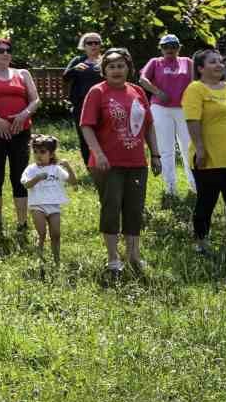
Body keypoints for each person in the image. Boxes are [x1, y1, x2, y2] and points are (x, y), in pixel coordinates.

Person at [79, 48, 162, 276]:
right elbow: (86, 126)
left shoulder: (137, 91)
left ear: (129, 68)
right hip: (107, 163)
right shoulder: (97, 92)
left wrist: (155, 154)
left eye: (120, 65)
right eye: (111, 66)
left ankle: (134, 256)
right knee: (112, 208)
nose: (116, 70)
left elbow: (148, 125)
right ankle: (113, 258)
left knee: (135, 210)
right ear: (104, 70)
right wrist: (99, 154)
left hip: (136, 161)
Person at [183, 48, 226, 256]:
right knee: (206, 201)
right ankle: (201, 244)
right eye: (213, 62)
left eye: (221, 62)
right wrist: (200, 148)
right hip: (209, 157)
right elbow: (192, 120)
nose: (219, 65)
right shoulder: (196, 89)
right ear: (200, 68)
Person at [0, 38, 41, 233]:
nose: (5, 53)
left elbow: (35, 99)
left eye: (8, 50)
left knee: (20, 176)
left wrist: (24, 114)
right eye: (0, 50)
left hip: (21, 132)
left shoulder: (22, 74)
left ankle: (22, 223)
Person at [138, 34, 197, 197]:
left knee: (189, 147)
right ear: (161, 48)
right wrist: (157, 91)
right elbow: (142, 79)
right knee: (166, 149)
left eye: (173, 46)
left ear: (179, 47)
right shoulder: (155, 62)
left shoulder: (188, 62)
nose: (169, 49)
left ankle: (194, 185)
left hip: (185, 109)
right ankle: (170, 188)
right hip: (161, 108)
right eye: (166, 46)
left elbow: (196, 82)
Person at [21, 134, 78, 271]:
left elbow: (73, 182)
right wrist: (37, 178)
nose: (38, 155)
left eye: (42, 152)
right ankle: (39, 257)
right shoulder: (31, 169)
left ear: (51, 154)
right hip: (37, 205)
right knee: (41, 233)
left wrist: (68, 167)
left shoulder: (56, 169)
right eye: (35, 152)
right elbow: (26, 185)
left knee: (56, 234)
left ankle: (57, 260)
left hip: (54, 206)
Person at [63, 32, 106, 159]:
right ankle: (89, 166)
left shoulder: (106, 60)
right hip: (82, 104)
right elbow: (65, 77)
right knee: (84, 136)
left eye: (96, 43)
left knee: (104, 134)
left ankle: (105, 163)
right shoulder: (78, 60)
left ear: (100, 45)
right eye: (89, 43)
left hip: (103, 103)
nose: (93, 45)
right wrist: (74, 69)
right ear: (84, 46)